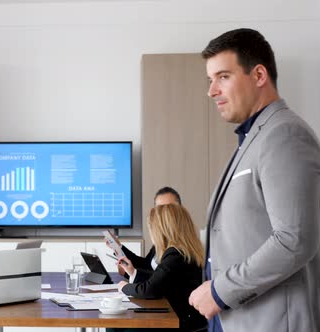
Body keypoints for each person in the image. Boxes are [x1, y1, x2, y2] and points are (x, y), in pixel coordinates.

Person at [188, 28, 320, 332]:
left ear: (259, 75)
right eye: (210, 80)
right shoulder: (253, 139)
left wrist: (220, 291)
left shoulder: (285, 134)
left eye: (223, 77)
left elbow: (295, 240)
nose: (211, 91)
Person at [116, 204, 207, 332]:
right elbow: (159, 280)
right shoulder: (181, 251)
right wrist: (132, 272)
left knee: (123, 324)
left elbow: (150, 289)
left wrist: (124, 287)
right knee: (117, 323)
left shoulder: (176, 254)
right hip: (173, 312)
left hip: (179, 320)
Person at [113, 187, 182, 282]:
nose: (164, 213)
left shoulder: (179, 248)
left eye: (169, 207)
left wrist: (132, 273)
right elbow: (146, 264)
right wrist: (118, 247)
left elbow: (159, 281)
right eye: (160, 208)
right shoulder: (161, 239)